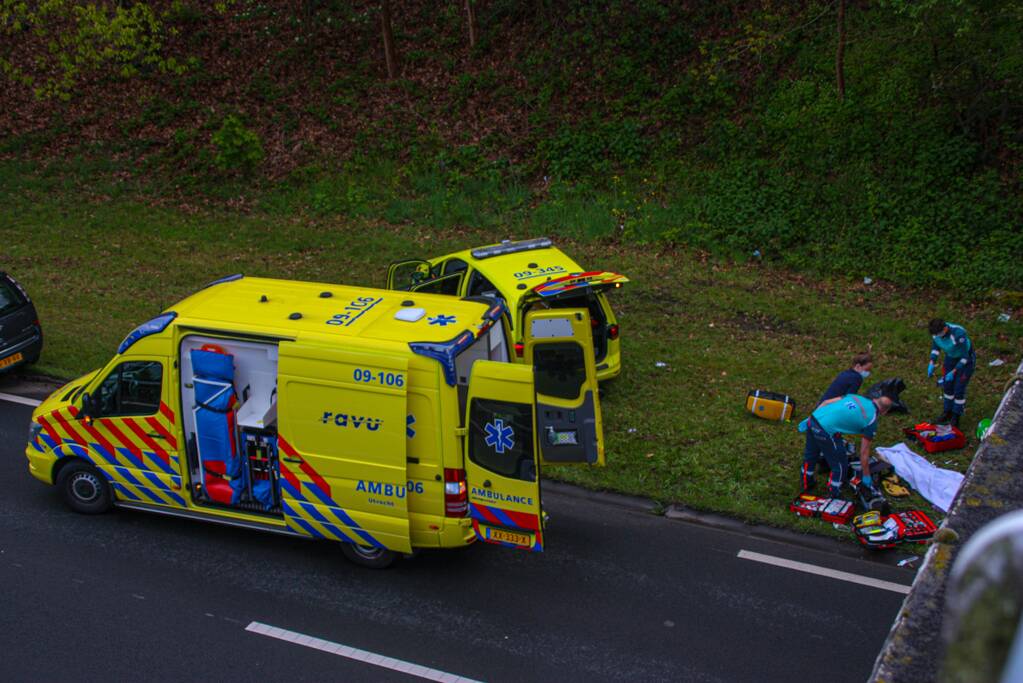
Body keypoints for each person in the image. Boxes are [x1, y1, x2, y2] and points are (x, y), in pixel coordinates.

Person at [800, 394, 894, 498]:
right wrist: (866, 475)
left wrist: (811, 418)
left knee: (811, 455)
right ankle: (834, 493)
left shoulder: (856, 397)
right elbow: (864, 452)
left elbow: (826, 402)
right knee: (840, 465)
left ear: (875, 399)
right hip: (827, 431)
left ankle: (806, 483)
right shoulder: (871, 421)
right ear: (884, 411)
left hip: (814, 419)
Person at [927, 319, 975, 427]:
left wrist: (954, 371)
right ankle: (947, 412)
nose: (937, 336)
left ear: (945, 329)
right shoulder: (936, 333)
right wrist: (932, 362)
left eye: (939, 334)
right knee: (947, 387)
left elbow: (965, 357)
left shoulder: (958, 335)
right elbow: (936, 346)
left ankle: (956, 416)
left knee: (959, 389)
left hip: (965, 360)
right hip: (951, 357)